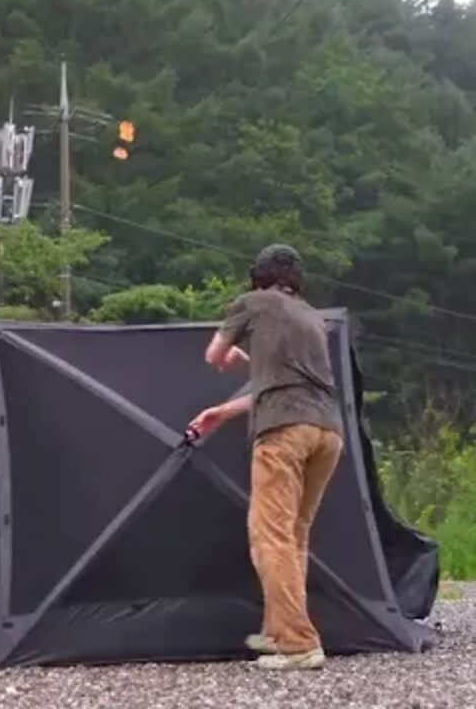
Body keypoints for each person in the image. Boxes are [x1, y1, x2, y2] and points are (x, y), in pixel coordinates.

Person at [187, 243, 344, 671]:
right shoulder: (312, 317)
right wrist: (223, 411)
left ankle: (298, 643)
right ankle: (280, 633)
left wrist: (238, 355)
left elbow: (213, 355)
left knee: (270, 536)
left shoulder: (251, 304)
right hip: (328, 431)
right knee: (294, 537)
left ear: (257, 277)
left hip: (283, 434)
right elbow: (284, 385)